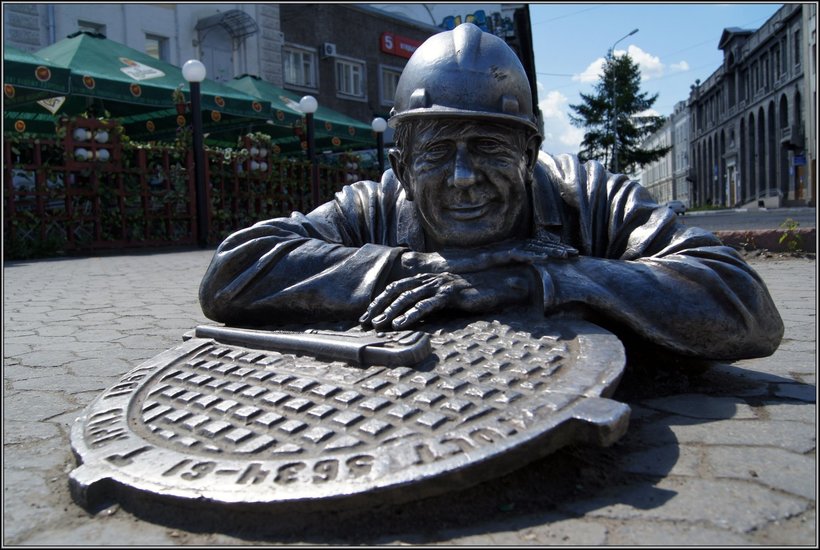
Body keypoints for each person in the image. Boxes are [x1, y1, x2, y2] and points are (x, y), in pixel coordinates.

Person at [199, 23, 783, 361]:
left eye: (488, 146)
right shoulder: (373, 208)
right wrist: (423, 268)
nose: (462, 175)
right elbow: (233, 271)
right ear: (402, 166)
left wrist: (537, 280)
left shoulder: (587, 196)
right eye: (436, 153)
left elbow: (746, 307)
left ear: (529, 155)